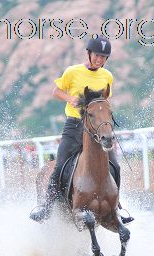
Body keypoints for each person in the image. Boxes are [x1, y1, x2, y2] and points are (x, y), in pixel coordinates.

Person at [30, 35, 134, 224]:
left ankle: (116, 207)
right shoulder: (72, 72)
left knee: (115, 166)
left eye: (103, 57)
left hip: (97, 128)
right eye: (96, 55)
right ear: (88, 54)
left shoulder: (107, 76)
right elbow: (56, 92)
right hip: (75, 126)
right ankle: (46, 206)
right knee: (60, 165)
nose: (99, 60)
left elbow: (105, 100)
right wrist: (70, 99)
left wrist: (105, 121)